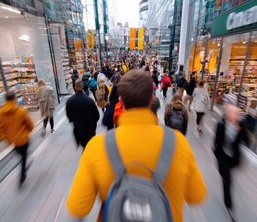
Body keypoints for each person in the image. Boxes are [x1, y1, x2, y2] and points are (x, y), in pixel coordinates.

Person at [66, 70, 207, 221]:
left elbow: (78, 207)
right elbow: (196, 196)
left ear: (121, 100)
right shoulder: (178, 143)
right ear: (151, 100)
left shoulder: (97, 146)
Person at [214, 103, 249, 221]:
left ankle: (226, 179)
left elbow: (247, 141)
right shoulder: (221, 125)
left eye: (237, 113)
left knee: (227, 179)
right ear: (227, 114)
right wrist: (217, 156)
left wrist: (242, 130)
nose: (235, 116)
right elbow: (216, 143)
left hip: (234, 158)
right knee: (227, 182)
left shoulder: (242, 125)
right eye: (232, 113)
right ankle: (229, 207)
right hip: (222, 156)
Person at [0, 91, 34, 186]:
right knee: (24, 157)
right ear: (15, 98)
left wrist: (5, 137)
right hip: (23, 139)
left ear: (5, 100)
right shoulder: (21, 111)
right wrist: (28, 131)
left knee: (21, 155)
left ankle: (23, 167)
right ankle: (22, 175)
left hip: (12, 141)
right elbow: (30, 124)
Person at [66, 79, 100, 150]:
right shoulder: (89, 101)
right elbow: (97, 116)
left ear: (75, 87)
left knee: (85, 148)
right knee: (90, 147)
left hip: (78, 129)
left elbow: (69, 117)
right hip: (90, 129)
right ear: (82, 87)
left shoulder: (69, 102)